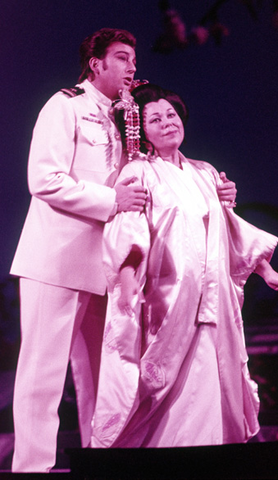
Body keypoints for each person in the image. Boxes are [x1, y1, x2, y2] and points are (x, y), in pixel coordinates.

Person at [91, 83, 278, 448]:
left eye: (171, 115)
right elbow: (128, 228)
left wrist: (267, 272)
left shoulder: (206, 172)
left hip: (213, 296)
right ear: (142, 132)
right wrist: (128, 279)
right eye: (155, 119)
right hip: (168, 295)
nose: (167, 123)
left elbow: (230, 228)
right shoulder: (138, 172)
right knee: (164, 385)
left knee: (213, 374)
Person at [9, 28, 149, 473]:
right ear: (97, 63)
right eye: (122, 58)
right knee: (42, 374)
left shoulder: (126, 118)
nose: (131, 67)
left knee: (101, 377)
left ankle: (98, 463)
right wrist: (112, 202)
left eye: (133, 59)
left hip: (106, 267)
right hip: (57, 259)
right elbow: (44, 180)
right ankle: (31, 468)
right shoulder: (64, 105)